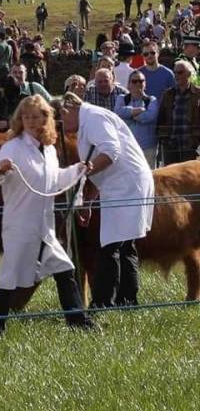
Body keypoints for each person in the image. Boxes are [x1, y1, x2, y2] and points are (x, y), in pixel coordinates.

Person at [0, 96, 94, 334]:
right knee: (10, 277)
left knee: (65, 270)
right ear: (20, 120)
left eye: (37, 116)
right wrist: (0, 169)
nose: (32, 121)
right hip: (20, 227)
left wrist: (77, 169)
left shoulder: (50, 150)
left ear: (46, 118)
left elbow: (55, 182)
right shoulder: (13, 147)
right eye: (27, 116)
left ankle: (78, 322)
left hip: (45, 228)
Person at [57, 94, 154, 308]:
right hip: (121, 185)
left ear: (69, 109)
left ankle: (103, 302)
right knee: (124, 244)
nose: (64, 128)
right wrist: (90, 200)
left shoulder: (93, 118)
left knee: (111, 245)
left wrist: (84, 170)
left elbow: (111, 151)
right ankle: (127, 301)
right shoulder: (87, 121)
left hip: (126, 186)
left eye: (62, 120)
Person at [156, 60, 200, 165]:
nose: (176, 75)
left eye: (180, 72)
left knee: (189, 178)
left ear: (189, 74)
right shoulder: (168, 94)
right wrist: (164, 140)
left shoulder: (198, 94)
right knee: (171, 178)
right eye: (175, 72)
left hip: (190, 145)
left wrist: (196, 142)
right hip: (171, 146)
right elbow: (161, 119)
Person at [114, 71, 159, 168]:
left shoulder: (151, 100)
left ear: (145, 84)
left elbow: (151, 116)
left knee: (150, 176)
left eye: (141, 81)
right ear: (128, 84)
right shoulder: (121, 99)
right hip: (127, 147)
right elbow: (118, 112)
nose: (138, 84)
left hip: (147, 147)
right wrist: (139, 110)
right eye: (134, 81)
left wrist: (131, 115)